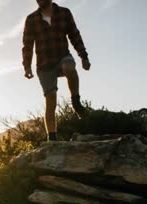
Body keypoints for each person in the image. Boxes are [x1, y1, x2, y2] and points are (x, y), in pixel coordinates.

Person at [22, 0, 91, 141]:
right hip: (44, 64)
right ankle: (52, 137)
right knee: (50, 99)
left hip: (62, 56)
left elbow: (74, 35)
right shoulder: (32, 19)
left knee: (69, 67)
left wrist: (83, 56)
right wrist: (27, 66)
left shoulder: (64, 13)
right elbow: (27, 45)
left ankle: (76, 101)